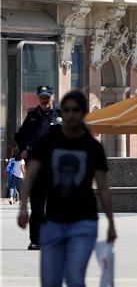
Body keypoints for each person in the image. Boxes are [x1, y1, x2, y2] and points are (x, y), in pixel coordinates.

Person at [17, 90, 116, 287]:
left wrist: (111, 223)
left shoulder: (92, 147)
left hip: (84, 222)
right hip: (53, 223)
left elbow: (103, 187)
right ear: (62, 111)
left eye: (76, 110)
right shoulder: (49, 142)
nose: (71, 114)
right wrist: (22, 207)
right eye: (67, 110)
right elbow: (31, 174)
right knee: (50, 281)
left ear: (83, 113)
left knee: (74, 278)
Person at [15, 84, 62, 250]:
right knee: (37, 207)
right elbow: (19, 136)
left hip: (56, 169)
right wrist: (22, 151)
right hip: (36, 169)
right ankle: (35, 240)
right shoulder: (32, 116)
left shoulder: (60, 115)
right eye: (41, 97)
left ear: (52, 97)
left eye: (47, 97)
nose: (44, 100)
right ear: (38, 98)